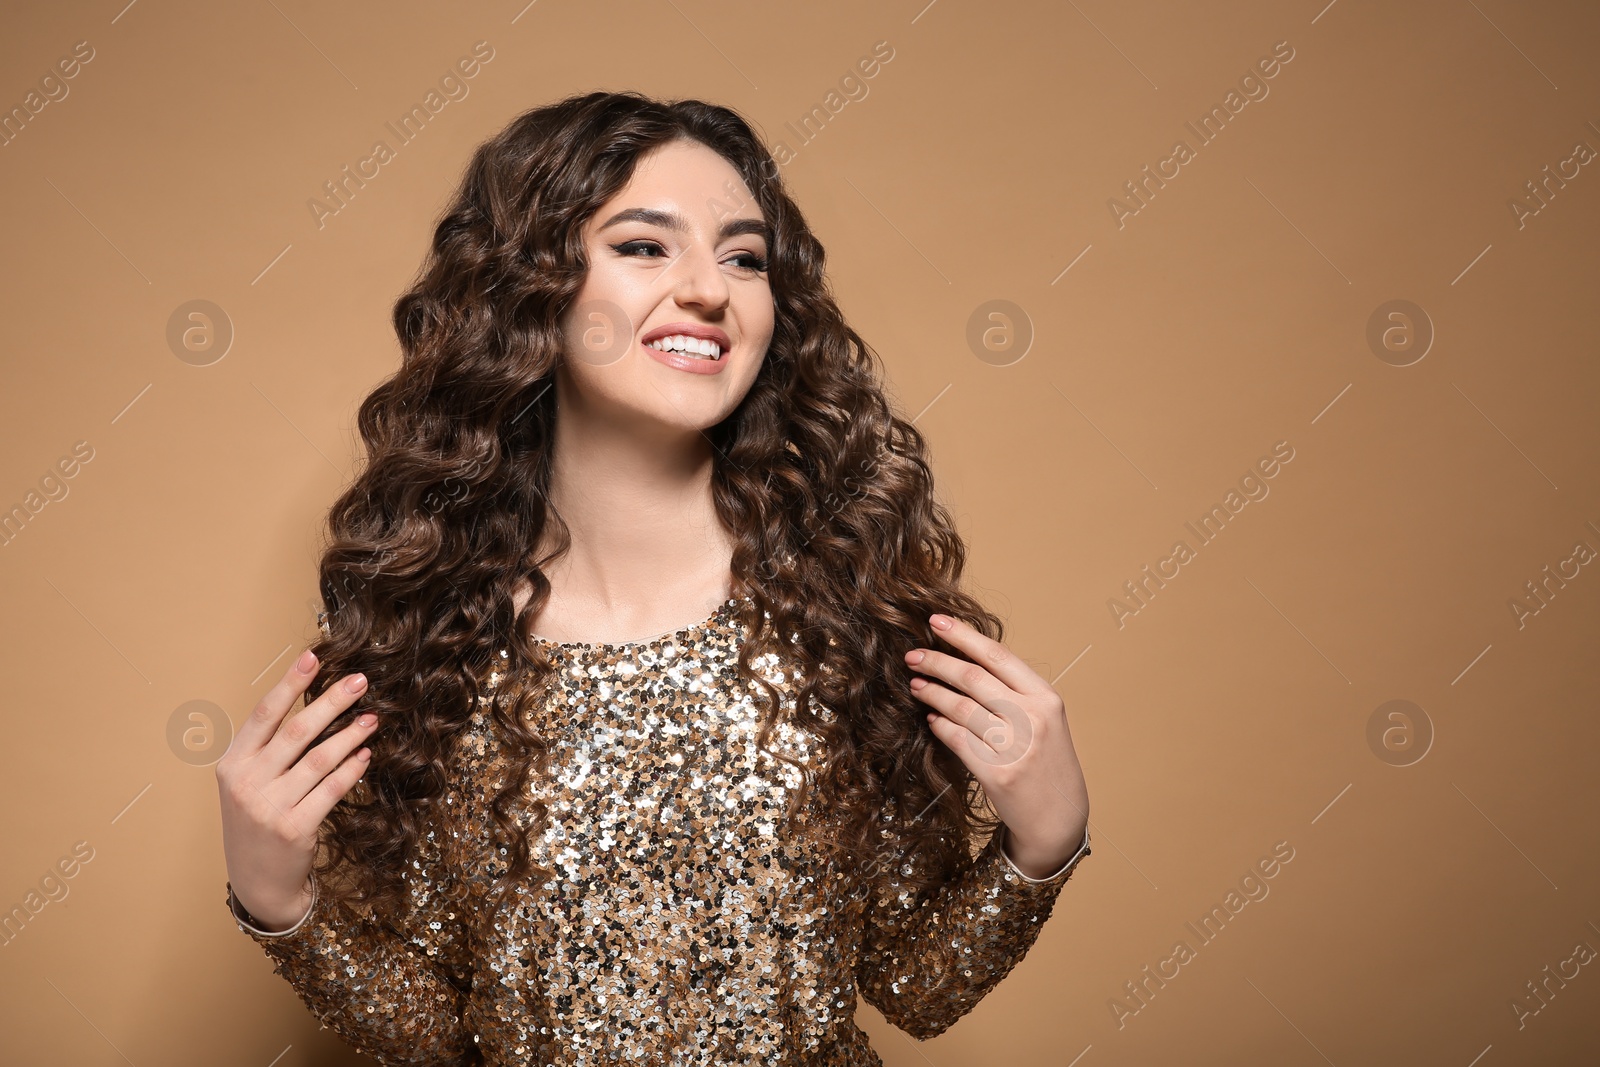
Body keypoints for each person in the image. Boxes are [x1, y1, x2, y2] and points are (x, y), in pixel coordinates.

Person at [214, 90, 1091, 1066]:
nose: (709, 290)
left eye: (744, 256)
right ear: (531, 283)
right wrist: (280, 903)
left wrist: (1040, 847)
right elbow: (431, 1021)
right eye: (644, 245)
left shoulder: (844, 607)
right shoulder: (441, 631)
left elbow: (913, 985)